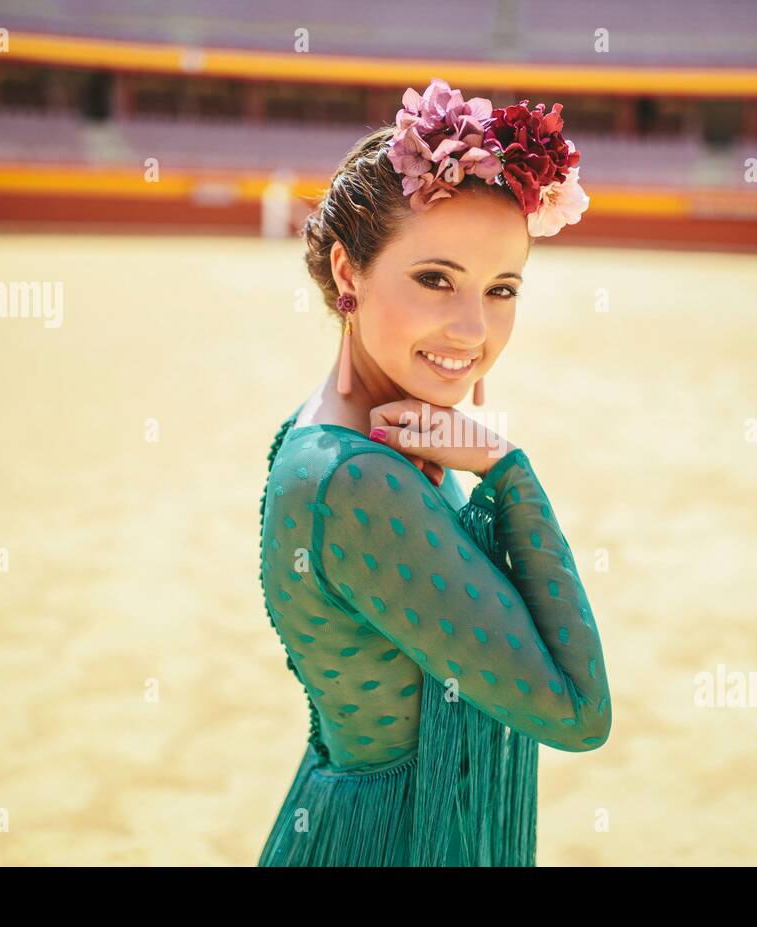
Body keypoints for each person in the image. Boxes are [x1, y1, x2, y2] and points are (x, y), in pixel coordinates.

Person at [257, 78, 610, 866]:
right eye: (435, 279)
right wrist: (507, 470)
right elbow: (580, 712)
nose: (473, 329)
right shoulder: (354, 480)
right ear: (348, 275)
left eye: (502, 289)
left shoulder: (336, 432)